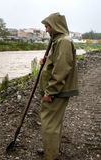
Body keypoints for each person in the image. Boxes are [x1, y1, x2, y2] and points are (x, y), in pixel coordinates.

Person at [38, 13, 79, 160]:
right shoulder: (59, 41)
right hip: (57, 90)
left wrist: (50, 91)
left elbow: (62, 68)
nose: (46, 29)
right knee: (54, 122)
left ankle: (51, 155)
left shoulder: (63, 42)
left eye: (47, 26)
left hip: (56, 91)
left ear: (55, 25)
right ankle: (52, 149)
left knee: (49, 122)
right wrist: (48, 61)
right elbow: (58, 62)